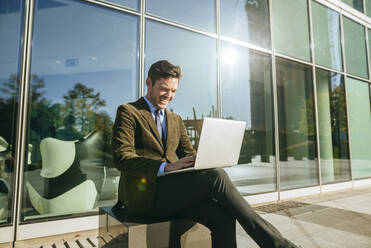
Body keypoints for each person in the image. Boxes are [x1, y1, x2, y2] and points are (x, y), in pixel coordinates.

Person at [112, 60, 299, 248]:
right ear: (149, 83)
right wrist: (166, 167)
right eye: (164, 89)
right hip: (143, 198)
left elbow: (190, 154)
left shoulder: (175, 119)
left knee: (222, 214)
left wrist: (206, 158)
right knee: (216, 176)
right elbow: (122, 158)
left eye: (174, 91)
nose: (168, 95)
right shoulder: (129, 112)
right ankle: (279, 245)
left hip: (171, 195)